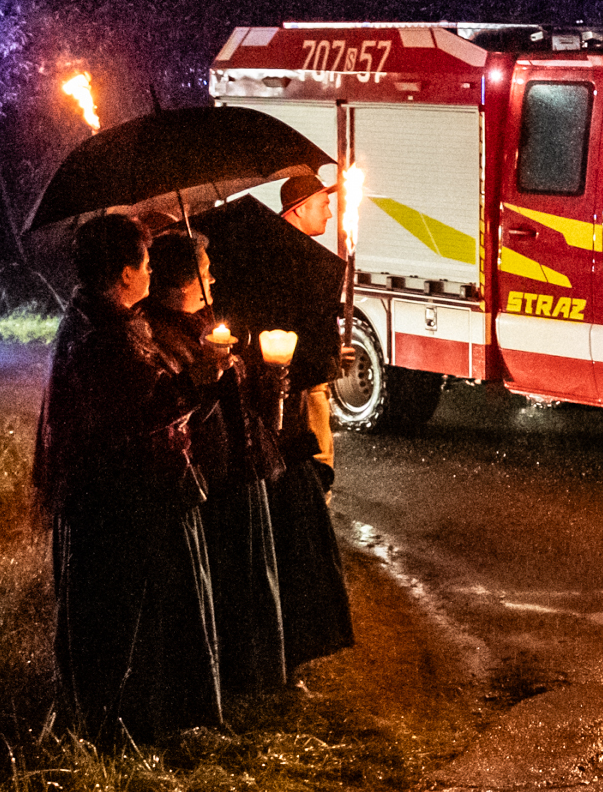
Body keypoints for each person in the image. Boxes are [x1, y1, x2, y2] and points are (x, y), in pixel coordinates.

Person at [33, 214, 230, 743]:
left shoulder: (103, 320)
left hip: (127, 496)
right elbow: (139, 413)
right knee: (131, 619)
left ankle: (138, 718)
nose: (150, 273)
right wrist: (198, 378)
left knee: (139, 615)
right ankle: (132, 724)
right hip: (123, 504)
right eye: (144, 264)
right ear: (123, 273)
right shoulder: (104, 336)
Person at [199, 172, 361, 672]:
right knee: (304, 490)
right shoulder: (274, 262)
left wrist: (333, 353)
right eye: (321, 205)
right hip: (284, 415)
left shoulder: (298, 261)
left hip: (298, 396)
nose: (329, 213)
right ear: (295, 210)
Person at [142, 230, 291, 699]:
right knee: (221, 581)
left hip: (241, 467)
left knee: (249, 575)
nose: (214, 275)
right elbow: (169, 412)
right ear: (187, 280)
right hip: (207, 479)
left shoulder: (207, 326)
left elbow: (241, 404)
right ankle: (225, 677)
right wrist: (204, 380)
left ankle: (254, 673)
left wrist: (268, 381)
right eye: (206, 268)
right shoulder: (157, 333)